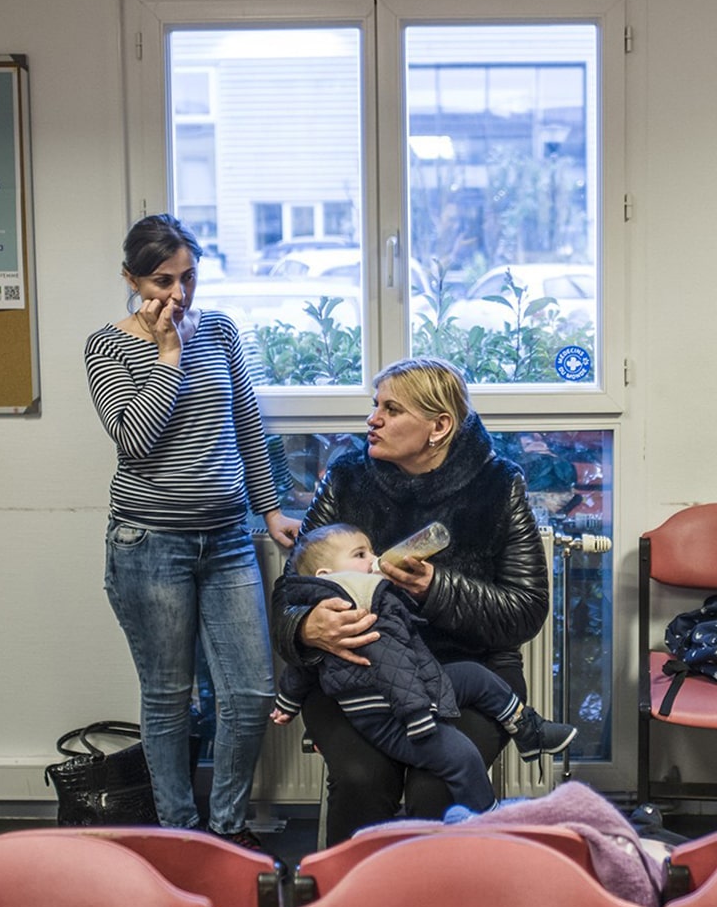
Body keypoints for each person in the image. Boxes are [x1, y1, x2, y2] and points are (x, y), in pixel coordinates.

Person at [271, 356, 551, 845]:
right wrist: (306, 627)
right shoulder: (346, 479)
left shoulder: (499, 485)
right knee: (363, 780)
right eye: (375, 406)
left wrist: (435, 588)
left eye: (391, 410)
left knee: (438, 786)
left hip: (467, 674)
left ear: (439, 426)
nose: (372, 420)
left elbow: (525, 610)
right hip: (352, 672)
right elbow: (287, 598)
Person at [85, 212, 299, 847]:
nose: (177, 295)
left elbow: (246, 426)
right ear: (129, 278)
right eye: (160, 281)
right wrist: (168, 356)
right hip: (150, 546)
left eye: (188, 278)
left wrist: (269, 508)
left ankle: (227, 832)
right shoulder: (109, 346)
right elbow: (136, 438)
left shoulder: (223, 332)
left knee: (251, 691)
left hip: (229, 539)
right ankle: (180, 833)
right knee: (170, 697)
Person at [271, 523, 575, 812]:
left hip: (417, 684)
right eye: (361, 555)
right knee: (460, 755)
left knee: (475, 675)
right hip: (389, 713)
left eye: (371, 551)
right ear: (327, 576)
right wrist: (418, 714)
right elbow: (317, 666)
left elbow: (405, 650)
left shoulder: (375, 597)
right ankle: (487, 815)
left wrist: (433, 590)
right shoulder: (337, 613)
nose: (375, 559)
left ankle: (527, 729)